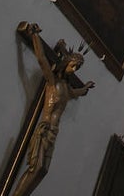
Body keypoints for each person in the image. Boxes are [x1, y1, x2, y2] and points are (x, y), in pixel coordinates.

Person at [11, 23, 94, 196]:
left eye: (77, 68)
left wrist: (85, 87)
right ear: (66, 63)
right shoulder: (52, 82)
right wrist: (34, 35)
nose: (74, 70)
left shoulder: (66, 88)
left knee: (43, 171)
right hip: (45, 128)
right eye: (73, 66)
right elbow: (42, 59)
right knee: (37, 167)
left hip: (54, 132)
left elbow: (78, 92)